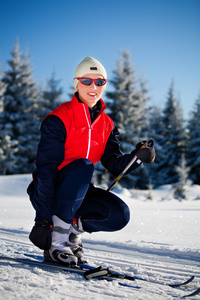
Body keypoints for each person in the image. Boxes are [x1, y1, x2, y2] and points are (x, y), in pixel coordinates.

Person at [27, 57, 155, 266]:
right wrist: (42, 219)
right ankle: (57, 242)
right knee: (83, 167)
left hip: (78, 193)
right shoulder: (59, 118)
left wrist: (137, 158)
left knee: (118, 214)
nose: (93, 87)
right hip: (49, 192)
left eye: (100, 82)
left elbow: (113, 163)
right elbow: (46, 170)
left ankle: (72, 232)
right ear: (76, 83)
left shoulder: (106, 124)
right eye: (86, 81)